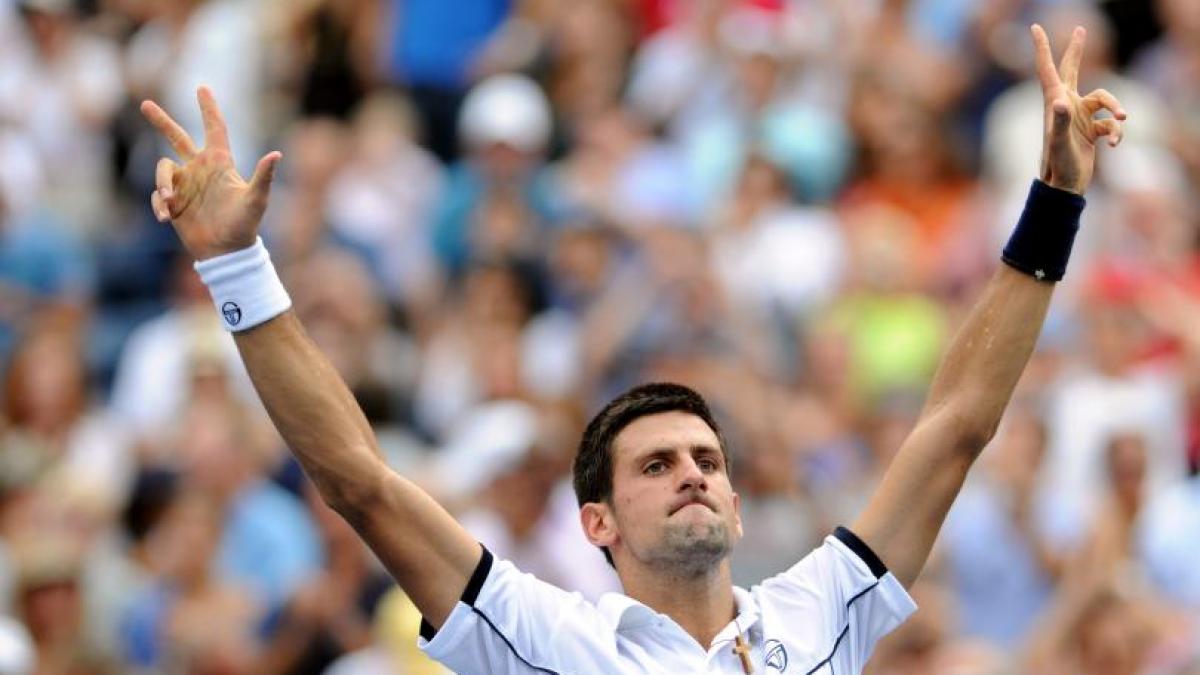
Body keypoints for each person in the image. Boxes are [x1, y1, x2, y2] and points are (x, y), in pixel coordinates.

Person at [138, 24, 1125, 674]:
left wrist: (1056, 201)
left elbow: (955, 427)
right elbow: (361, 482)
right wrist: (236, 267)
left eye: (707, 460)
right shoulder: (542, 632)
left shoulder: (818, 606)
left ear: (738, 503)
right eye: (657, 465)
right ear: (596, 523)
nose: (694, 473)